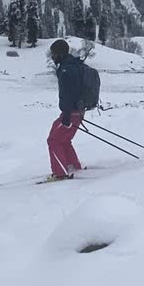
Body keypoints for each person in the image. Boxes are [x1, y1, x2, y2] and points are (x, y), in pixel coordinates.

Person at [46, 39, 85, 180]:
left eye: (54, 54)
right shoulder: (74, 65)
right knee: (64, 139)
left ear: (60, 54)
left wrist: (67, 115)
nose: (52, 57)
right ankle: (71, 165)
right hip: (78, 111)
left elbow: (69, 93)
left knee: (53, 140)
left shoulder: (65, 69)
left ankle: (60, 173)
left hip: (71, 112)